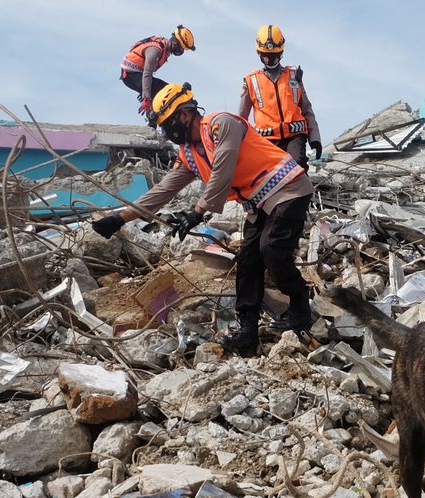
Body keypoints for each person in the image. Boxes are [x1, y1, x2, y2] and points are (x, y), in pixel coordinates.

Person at [90, 83, 315, 356]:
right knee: (248, 262)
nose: (166, 132)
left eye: (167, 124)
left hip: (288, 188)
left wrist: (198, 211)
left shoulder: (221, 125)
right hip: (259, 203)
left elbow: (223, 168)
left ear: (183, 116)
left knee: (272, 250)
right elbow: (163, 190)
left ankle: (301, 307)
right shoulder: (189, 154)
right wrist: (120, 218)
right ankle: (247, 331)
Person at [237, 24, 321, 168]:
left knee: (297, 169)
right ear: (259, 53)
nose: (270, 59)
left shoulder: (294, 76)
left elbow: (307, 109)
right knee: (271, 176)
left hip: (294, 137)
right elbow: (241, 119)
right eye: (266, 56)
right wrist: (236, 145)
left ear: (281, 52)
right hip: (267, 141)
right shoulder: (251, 80)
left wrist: (315, 139)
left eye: (274, 56)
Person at [119, 26, 195, 118]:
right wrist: (146, 97)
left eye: (181, 50)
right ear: (174, 41)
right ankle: (152, 120)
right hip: (130, 75)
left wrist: (145, 90)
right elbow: (147, 73)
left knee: (165, 89)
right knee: (166, 91)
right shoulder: (156, 49)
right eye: (179, 47)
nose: (179, 51)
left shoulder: (164, 48)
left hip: (134, 74)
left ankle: (152, 116)